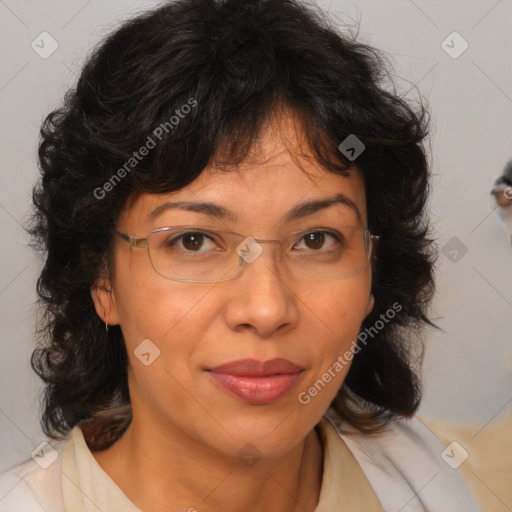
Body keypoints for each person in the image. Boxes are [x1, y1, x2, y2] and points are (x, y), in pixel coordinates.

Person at [0, 0, 482, 510]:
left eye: (316, 239)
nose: (267, 309)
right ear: (103, 279)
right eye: (193, 241)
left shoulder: (426, 478)